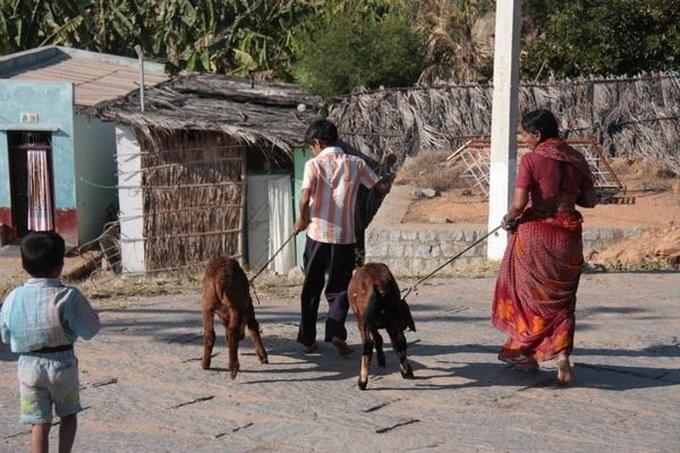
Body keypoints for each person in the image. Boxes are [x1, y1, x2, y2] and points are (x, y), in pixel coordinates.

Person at [491, 109, 597, 385]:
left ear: (537, 135)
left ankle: (525, 352)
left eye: (525, 135)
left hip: (536, 235)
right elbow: (590, 200)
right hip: (568, 237)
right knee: (563, 302)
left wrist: (507, 219)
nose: (524, 140)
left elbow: (517, 205)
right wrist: (567, 195)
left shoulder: (531, 160)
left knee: (528, 297)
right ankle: (562, 356)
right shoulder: (576, 159)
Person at [294, 119, 392, 354]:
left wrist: (302, 219)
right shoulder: (356, 163)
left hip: (317, 233)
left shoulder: (313, 165)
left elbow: (305, 197)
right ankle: (336, 332)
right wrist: (389, 170)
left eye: (311, 145)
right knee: (339, 288)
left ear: (317, 143)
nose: (311, 149)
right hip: (345, 236)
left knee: (311, 286)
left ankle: (308, 339)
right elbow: (380, 188)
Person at [1, 231, 101, 453]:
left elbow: (5, 334)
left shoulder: (13, 297)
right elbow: (91, 329)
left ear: (23, 264)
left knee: (39, 423)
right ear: (60, 265)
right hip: (63, 366)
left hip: (28, 368)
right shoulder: (69, 296)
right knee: (68, 416)